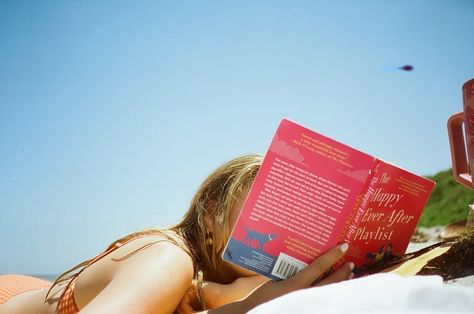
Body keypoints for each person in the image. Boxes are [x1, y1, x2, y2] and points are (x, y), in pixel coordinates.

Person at [0, 155, 353, 313]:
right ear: (212, 211)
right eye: (261, 212)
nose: (276, 232)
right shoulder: (167, 259)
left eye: (288, 219)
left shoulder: (236, 281)